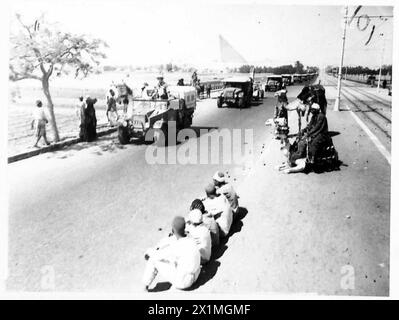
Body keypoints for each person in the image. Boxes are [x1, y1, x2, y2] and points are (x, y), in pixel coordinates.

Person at [142, 216, 201, 291]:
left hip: (184, 282)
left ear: (173, 230)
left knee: (153, 260)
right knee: (173, 258)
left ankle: (145, 287)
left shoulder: (176, 247)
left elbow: (157, 256)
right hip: (196, 275)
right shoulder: (191, 239)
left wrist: (149, 251)